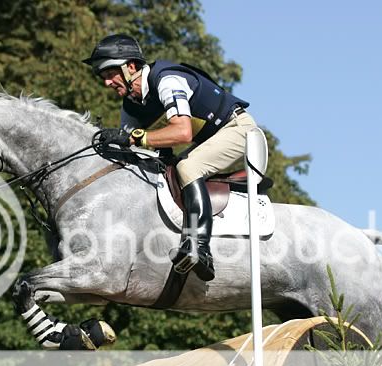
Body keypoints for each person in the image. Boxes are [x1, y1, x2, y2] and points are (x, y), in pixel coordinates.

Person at [82, 34, 256, 282]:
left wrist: (134, 138)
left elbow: (181, 131)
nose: (107, 82)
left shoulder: (167, 81)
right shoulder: (132, 104)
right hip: (208, 139)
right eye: (103, 76)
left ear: (130, 67)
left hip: (237, 129)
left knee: (188, 167)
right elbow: (131, 148)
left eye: (110, 73)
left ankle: (199, 247)